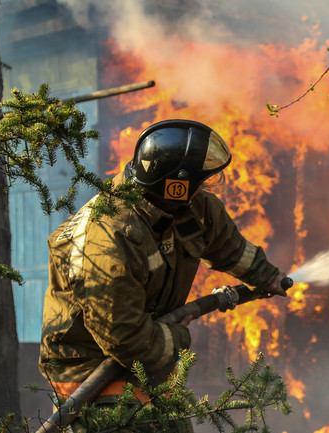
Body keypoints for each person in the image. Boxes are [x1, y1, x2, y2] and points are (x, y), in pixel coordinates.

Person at [38, 119, 288, 406]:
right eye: (198, 182)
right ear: (175, 186)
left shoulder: (188, 204)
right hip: (90, 372)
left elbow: (227, 245)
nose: (203, 188)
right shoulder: (109, 239)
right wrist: (178, 337)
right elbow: (124, 335)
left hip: (148, 356)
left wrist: (266, 276)